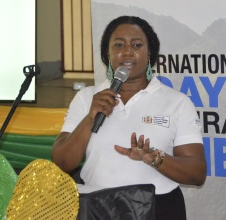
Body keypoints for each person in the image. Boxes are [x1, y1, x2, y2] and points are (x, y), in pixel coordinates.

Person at [52, 15, 206, 220]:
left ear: (149, 53)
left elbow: (196, 173)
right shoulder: (86, 98)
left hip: (157, 208)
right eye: (118, 44)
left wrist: (155, 159)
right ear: (107, 53)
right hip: (96, 209)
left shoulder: (177, 102)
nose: (127, 51)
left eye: (136, 45)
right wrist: (90, 118)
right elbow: (62, 162)